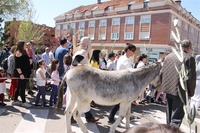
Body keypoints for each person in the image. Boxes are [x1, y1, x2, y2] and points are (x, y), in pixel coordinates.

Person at [161, 39, 196, 127]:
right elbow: (191, 78)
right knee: (176, 117)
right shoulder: (189, 58)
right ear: (188, 48)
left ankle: (168, 130)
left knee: (169, 115)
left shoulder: (169, 56)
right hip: (180, 91)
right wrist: (191, 93)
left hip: (168, 89)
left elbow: (162, 72)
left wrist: (163, 86)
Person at [69, 37, 99, 123]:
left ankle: (88, 116)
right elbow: (75, 63)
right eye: (90, 43)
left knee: (83, 99)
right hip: (79, 80)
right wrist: (86, 69)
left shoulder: (80, 51)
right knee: (83, 99)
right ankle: (86, 117)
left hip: (78, 79)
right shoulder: (82, 52)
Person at [108, 43, 136, 124]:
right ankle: (111, 118)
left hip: (120, 83)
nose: (133, 53)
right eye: (132, 51)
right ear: (128, 51)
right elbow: (131, 72)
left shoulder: (121, 58)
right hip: (123, 84)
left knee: (121, 102)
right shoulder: (126, 60)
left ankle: (127, 116)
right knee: (120, 102)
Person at [12, 41, 32, 108]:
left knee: (19, 86)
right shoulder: (19, 53)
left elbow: (25, 61)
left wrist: (29, 61)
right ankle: (23, 102)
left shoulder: (24, 52)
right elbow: (18, 66)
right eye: (25, 44)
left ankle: (15, 100)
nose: (26, 45)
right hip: (21, 73)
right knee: (22, 87)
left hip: (25, 72)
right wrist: (21, 74)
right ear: (21, 45)